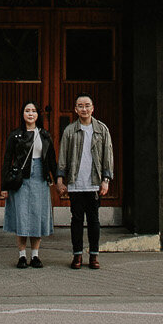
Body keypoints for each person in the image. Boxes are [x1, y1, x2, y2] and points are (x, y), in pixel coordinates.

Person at [56, 93, 112, 269]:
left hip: (94, 183)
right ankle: (77, 255)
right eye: (80, 106)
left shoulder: (101, 129)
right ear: (75, 109)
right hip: (75, 183)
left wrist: (106, 180)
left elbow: (108, 156)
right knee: (77, 220)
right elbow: (63, 155)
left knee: (94, 220)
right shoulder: (70, 131)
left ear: (92, 108)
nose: (84, 109)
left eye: (87, 105)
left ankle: (94, 256)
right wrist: (60, 180)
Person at [0, 101, 55, 267]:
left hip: (40, 177)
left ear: (38, 115)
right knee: (22, 216)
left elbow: (51, 159)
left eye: (33, 111)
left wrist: (58, 178)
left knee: (37, 216)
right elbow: (7, 160)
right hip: (20, 179)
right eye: (27, 110)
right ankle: (22, 255)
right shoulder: (15, 135)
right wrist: (4, 186)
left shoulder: (45, 135)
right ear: (22, 114)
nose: (30, 114)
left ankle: (36, 255)